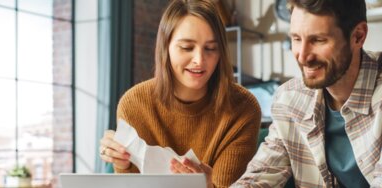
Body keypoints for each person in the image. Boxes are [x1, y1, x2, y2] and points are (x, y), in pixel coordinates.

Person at [232, 0, 382, 187]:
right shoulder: (289, 98)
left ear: (358, 36)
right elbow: (259, 176)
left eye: (318, 40)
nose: (303, 55)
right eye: (296, 39)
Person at [99, 0, 261, 187]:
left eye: (210, 48)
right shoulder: (134, 104)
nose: (199, 60)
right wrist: (122, 163)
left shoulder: (243, 108)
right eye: (186, 47)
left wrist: (208, 185)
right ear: (165, 47)